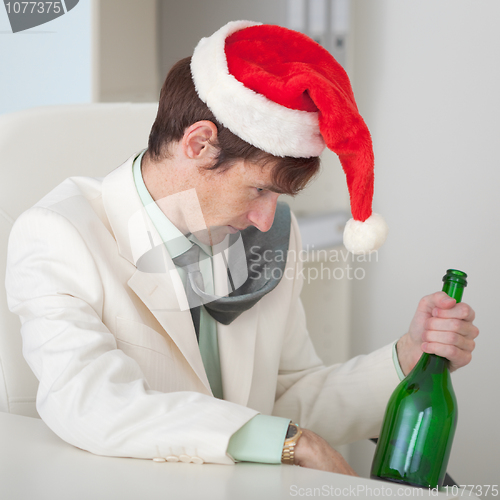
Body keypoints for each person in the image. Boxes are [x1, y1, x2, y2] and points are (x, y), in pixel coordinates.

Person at [5, 21, 478, 474]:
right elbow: (89, 401)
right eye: (259, 190)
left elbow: (286, 398)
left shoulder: (267, 235)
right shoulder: (59, 234)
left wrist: (408, 357)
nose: (267, 219)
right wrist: (290, 442)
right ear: (199, 144)